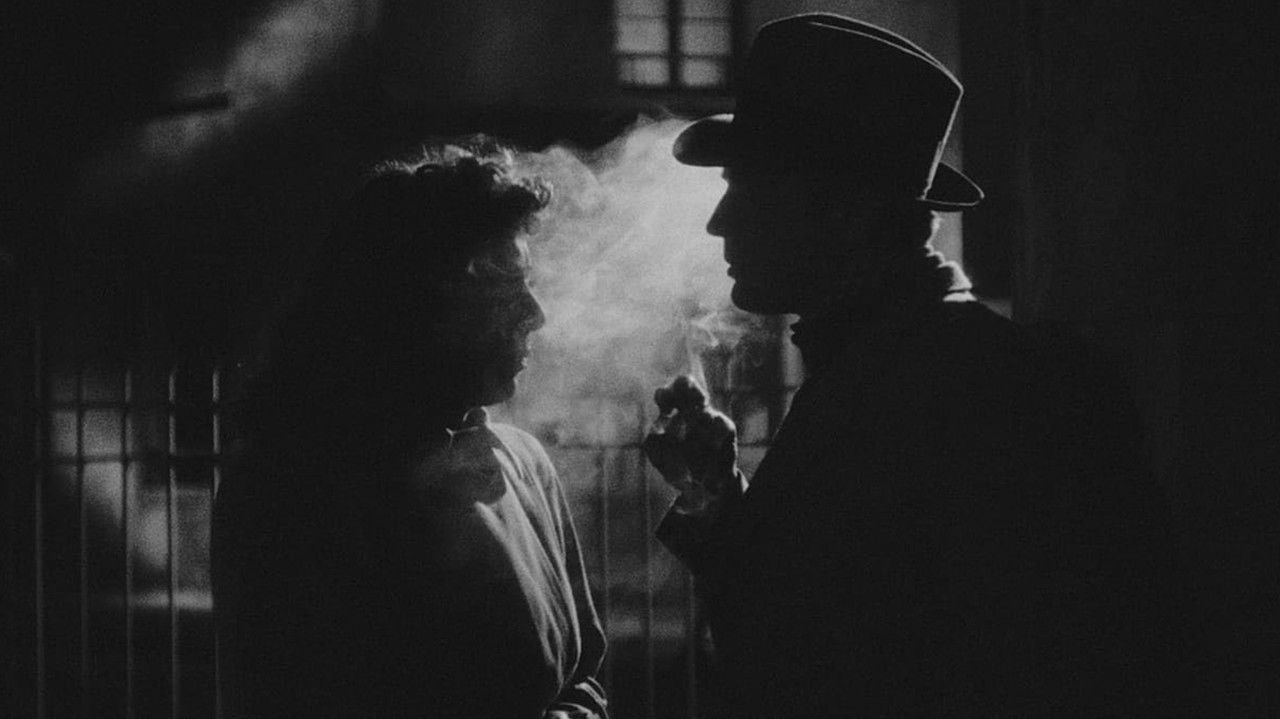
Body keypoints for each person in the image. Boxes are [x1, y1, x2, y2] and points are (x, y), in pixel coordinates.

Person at [643, 14, 1180, 717]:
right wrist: (717, 496)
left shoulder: (961, 393)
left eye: (747, 187)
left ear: (846, 214)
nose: (719, 221)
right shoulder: (889, 365)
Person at [212, 144, 609, 718]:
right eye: (503, 287)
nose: (535, 313)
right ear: (413, 304)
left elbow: (583, 676)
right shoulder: (290, 489)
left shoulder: (523, 462)